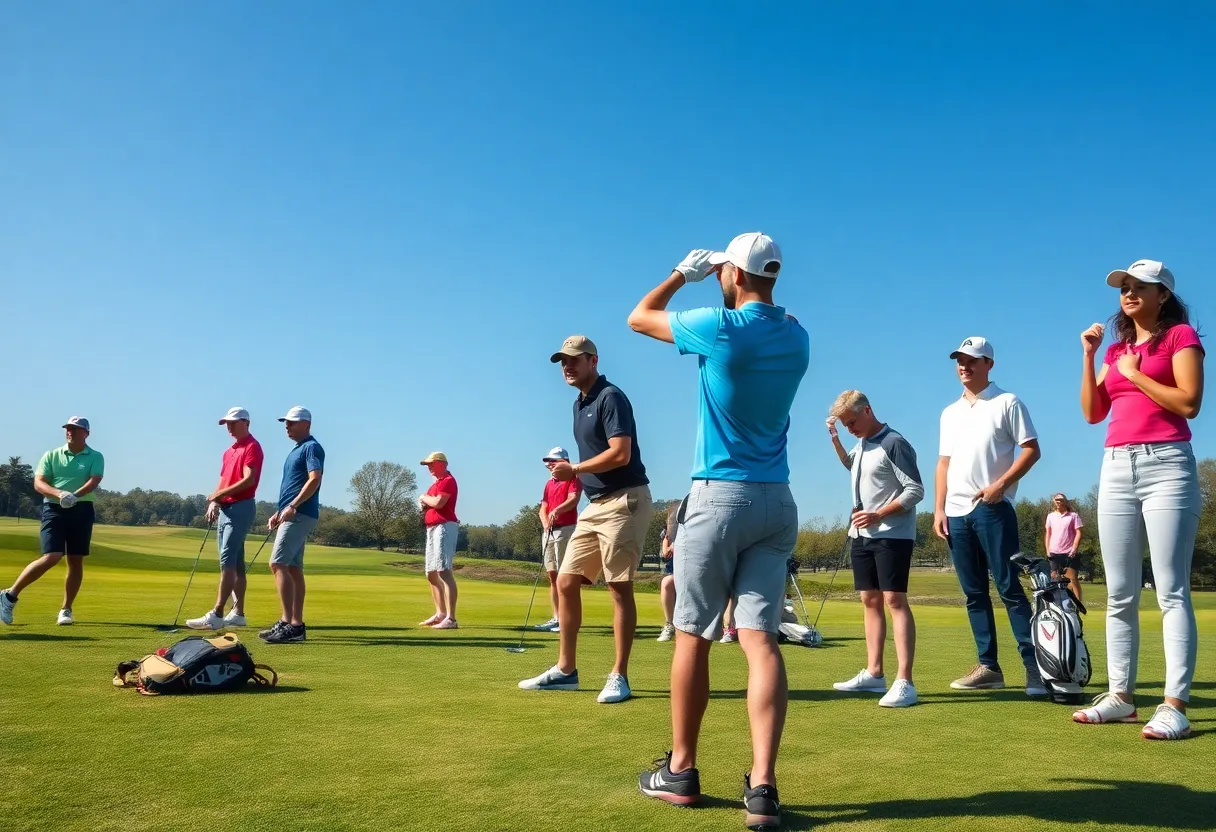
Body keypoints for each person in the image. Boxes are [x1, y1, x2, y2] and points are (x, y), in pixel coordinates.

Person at [627, 232, 809, 830]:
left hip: (718, 496)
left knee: (692, 636)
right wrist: (732, 275)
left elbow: (638, 318)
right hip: (776, 501)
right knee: (760, 640)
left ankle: (680, 770)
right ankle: (763, 787)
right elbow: (772, 308)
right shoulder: (797, 336)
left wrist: (683, 273)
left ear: (733, 273)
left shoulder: (720, 327)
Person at [1074, 259, 1204, 740]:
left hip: (1167, 462)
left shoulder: (1180, 338)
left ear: (1162, 295)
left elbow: (1189, 402)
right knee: (1119, 592)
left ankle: (1174, 705)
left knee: (1170, 590)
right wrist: (1091, 358)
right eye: (1123, 288)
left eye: (1138, 287)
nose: (1127, 294)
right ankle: (1121, 697)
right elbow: (1093, 413)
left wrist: (1137, 373)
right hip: (1115, 464)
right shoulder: (1116, 348)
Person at [519, 335, 654, 705]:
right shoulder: (579, 404)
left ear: (593, 360)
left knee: (618, 587)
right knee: (564, 581)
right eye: (563, 361)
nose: (567, 366)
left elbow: (621, 453)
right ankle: (566, 671)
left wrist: (574, 469)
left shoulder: (610, 397)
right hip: (595, 505)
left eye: (575, 359)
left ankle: (619, 676)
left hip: (626, 499)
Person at [933, 337, 1046, 696]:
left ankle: (1035, 668)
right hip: (955, 513)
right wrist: (939, 508)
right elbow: (943, 463)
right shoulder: (949, 412)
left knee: (1010, 589)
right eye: (960, 360)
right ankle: (989, 667)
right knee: (973, 593)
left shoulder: (1007, 402)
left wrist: (1001, 485)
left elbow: (1031, 450)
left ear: (989, 364)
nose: (964, 366)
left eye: (972, 360)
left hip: (992, 507)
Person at [827, 390, 924, 708]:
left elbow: (915, 490)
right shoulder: (861, 444)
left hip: (891, 534)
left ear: (867, 410)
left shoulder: (894, 442)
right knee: (869, 600)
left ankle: (905, 681)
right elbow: (853, 468)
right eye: (844, 425)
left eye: (852, 422)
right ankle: (874, 673)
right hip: (862, 534)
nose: (849, 428)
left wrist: (878, 513)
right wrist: (836, 440)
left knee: (894, 600)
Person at [0, 417, 104, 626]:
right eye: (68, 429)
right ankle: (9, 596)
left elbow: (94, 480)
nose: (70, 432)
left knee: (75, 560)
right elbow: (39, 482)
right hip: (54, 509)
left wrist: (74, 495)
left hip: (82, 509)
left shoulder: (95, 456)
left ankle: (66, 609)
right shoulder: (52, 455)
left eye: (75, 429)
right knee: (52, 556)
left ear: (86, 433)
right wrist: (60, 494)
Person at [187, 407, 264, 630]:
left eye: (232, 423)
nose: (228, 427)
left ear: (245, 422)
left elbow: (249, 480)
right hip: (226, 508)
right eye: (226, 424)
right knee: (237, 563)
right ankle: (238, 614)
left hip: (241, 507)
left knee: (227, 561)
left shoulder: (252, 447)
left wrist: (219, 496)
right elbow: (224, 481)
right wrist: (215, 501)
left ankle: (218, 613)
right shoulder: (229, 451)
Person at [259, 406, 324, 645]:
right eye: (286, 422)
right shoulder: (296, 450)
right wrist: (279, 511)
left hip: (300, 513)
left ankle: (288, 623)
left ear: (306, 424)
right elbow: (293, 487)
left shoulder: (311, 447)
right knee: (294, 568)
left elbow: (314, 479)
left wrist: (293, 506)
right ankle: (295, 625)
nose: (287, 426)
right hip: (293, 512)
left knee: (278, 563)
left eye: (292, 422)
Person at [534, 446, 581, 632]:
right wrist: (545, 520)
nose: (550, 465)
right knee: (552, 575)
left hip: (566, 530)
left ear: (565, 462)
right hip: (549, 531)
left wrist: (557, 510)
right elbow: (543, 507)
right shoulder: (548, 483)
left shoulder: (573, 478)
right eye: (548, 462)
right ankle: (556, 617)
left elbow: (573, 499)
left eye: (553, 461)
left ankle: (566, 619)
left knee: (564, 575)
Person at [418, 451, 460, 629]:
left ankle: (451, 618)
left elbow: (439, 503)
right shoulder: (434, 485)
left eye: (431, 464)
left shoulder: (448, 481)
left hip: (444, 526)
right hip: (431, 527)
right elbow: (426, 505)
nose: (429, 468)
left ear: (442, 463)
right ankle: (440, 613)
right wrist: (427, 499)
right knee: (431, 573)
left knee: (444, 570)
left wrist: (423, 498)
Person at [1044, 493, 1084, 603]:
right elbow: (1048, 533)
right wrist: (1048, 550)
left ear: (1065, 501)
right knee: (1055, 580)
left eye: (1060, 499)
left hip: (1069, 552)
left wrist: (1074, 548)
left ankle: (1078, 605)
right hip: (1054, 552)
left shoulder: (1073, 516)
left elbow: (1079, 532)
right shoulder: (1050, 516)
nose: (1058, 501)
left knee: (1072, 579)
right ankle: (1058, 605)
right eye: (1056, 500)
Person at [657, 502, 679, 642]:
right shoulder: (669, 531)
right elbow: (666, 550)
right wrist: (668, 548)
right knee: (667, 582)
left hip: (696, 567)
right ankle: (669, 624)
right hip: (675, 567)